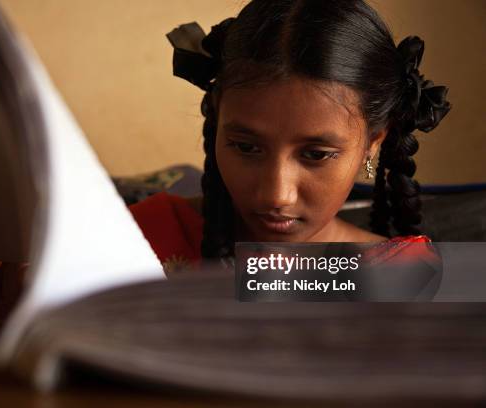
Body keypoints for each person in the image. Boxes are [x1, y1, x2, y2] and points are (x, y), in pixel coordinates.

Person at [129, 0, 451, 274]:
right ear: (216, 117)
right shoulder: (137, 234)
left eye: (316, 154)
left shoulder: (402, 276)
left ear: (373, 142)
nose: (276, 196)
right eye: (246, 147)